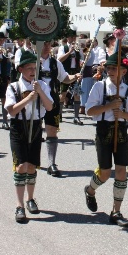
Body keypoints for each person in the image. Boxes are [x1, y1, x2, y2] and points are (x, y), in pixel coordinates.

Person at [83, 51, 128, 227]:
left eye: (115, 68)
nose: (111, 71)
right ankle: (90, 190)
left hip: (121, 131)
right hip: (103, 131)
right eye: (109, 68)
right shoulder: (99, 87)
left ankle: (116, 211)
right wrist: (108, 106)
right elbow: (89, 111)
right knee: (105, 172)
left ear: (124, 71)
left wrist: (122, 113)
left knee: (122, 171)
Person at [5, 50, 53, 223]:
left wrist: (40, 92)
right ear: (20, 69)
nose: (32, 71)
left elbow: (49, 107)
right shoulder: (13, 87)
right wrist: (28, 99)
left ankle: (30, 198)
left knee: (32, 166)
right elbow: (11, 110)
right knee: (21, 166)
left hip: (36, 126)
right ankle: (19, 205)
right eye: (29, 68)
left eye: (35, 68)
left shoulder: (41, 85)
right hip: (19, 127)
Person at [37, 40, 82, 177]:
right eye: (43, 44)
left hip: (52, 99)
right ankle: (32, 159)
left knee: (52, 130)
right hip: (34, 99)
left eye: (48, 44)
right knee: (33, 131)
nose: (46, 47)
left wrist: (75, 76)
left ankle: (51, 163)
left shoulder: (56, 63)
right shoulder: (31, 61)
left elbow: (65, 78)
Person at [57, 29, 83, 123]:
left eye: (74, 37)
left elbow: (82, 59)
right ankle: (59, 115)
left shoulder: (77, 48)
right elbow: (59, 60)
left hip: (75, 72)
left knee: (77, 94)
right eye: (71, 37)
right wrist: (69, 52)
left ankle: (76, 116)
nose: (73, 39)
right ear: (67, 38)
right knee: (63, 94)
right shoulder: (62, 48)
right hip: (65, 73)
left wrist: (82, 62)